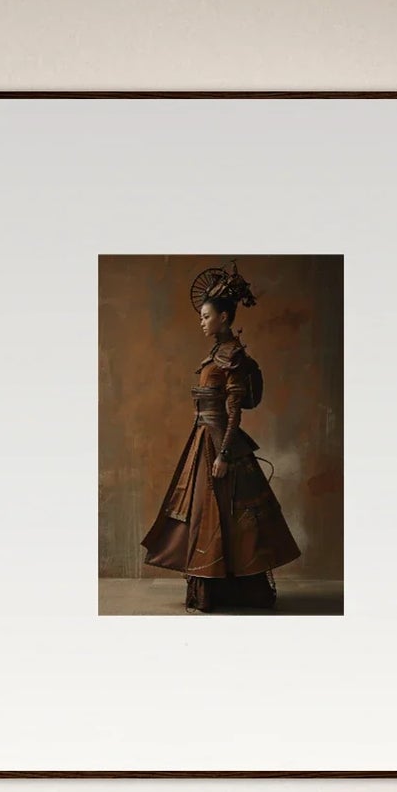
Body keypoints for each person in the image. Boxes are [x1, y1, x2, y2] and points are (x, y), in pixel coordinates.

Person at [139, 262, 302, 612]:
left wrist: (224, 455)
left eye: (206, 315)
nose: (201, 321)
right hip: (202, 442)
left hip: (219, 446)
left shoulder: (232, 358)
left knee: (221, 516)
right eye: (201, 316)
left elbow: (235, 412)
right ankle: (214, 590)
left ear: (225, 318)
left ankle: (233, 592)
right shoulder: (213, 355)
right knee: (204, 515)